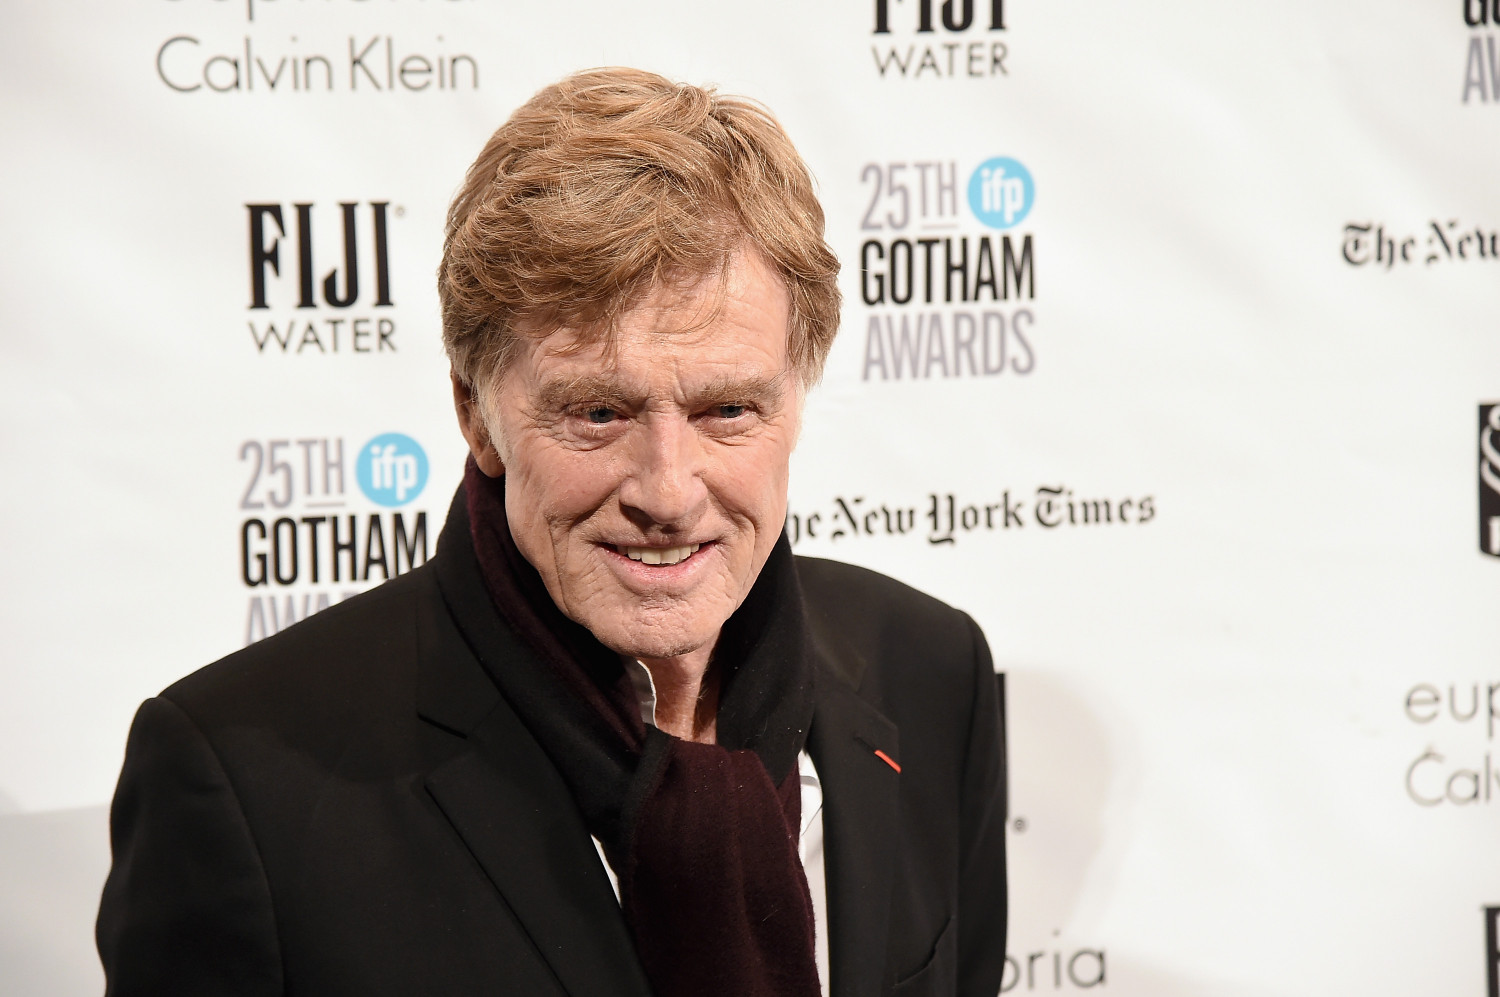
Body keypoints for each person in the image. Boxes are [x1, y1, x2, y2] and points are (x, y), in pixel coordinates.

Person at [96, 67, 1007, 997]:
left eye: (728, 408)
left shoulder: (930, 672)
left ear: (797, 400)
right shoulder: (240, 785)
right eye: (597, 412)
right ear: (475, 414)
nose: (667, 489)